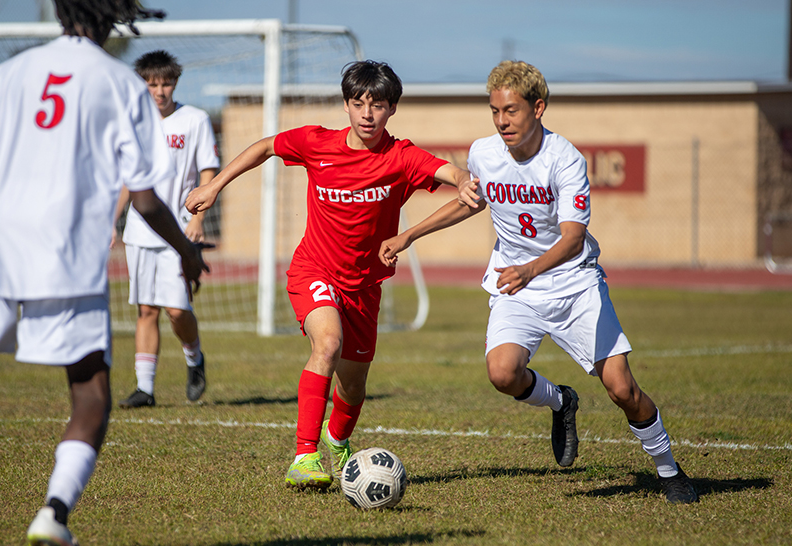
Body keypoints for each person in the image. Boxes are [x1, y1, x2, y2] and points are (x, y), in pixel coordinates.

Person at [380, 60, 698, 504]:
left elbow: (573, 238)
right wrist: (408, 234)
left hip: (573, 285)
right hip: (518, 286)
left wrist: (531, 268)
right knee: (503, 373)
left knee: (622, 389)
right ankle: (561, 402)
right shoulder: (483, 154)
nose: (501, 121)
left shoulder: (565, 160)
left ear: (539, 107)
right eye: (494, 111)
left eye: (510, 110)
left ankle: (669, 470)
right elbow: (471, 204)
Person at [0, 2, 209, 545]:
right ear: (114, 16)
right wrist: (187, 252)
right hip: (66, 253)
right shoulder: (119, 84)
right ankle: (53, 514)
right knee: (91, 393)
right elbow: (146, 198)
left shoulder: (10, 71)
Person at [185, 60, 476, 491]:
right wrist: (215, 186)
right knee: (328, 343)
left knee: (354, 388)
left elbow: (446, 172)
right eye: (358, 103)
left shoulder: (401, 157)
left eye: (377, 105)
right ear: (345, 105)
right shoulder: (315, 142)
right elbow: (265, 146)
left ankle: (336, 440)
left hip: (365, 285)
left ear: (391, 109)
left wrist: (464, 178)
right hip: (313, 270)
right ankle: (304, 455)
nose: (367, 113)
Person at [114, 50, 220, 408]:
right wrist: (113, 220)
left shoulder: (196, 120)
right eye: (152, 83)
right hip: (140, 232)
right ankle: (145, 388)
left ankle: (194, 359)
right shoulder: (133, 122)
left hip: (177, 232)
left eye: (166, 83)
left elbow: (208, 171)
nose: (160, 91)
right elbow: (129, 180)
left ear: (176, 83)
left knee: (176, 310)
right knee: (146, 310)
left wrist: (198, 219)